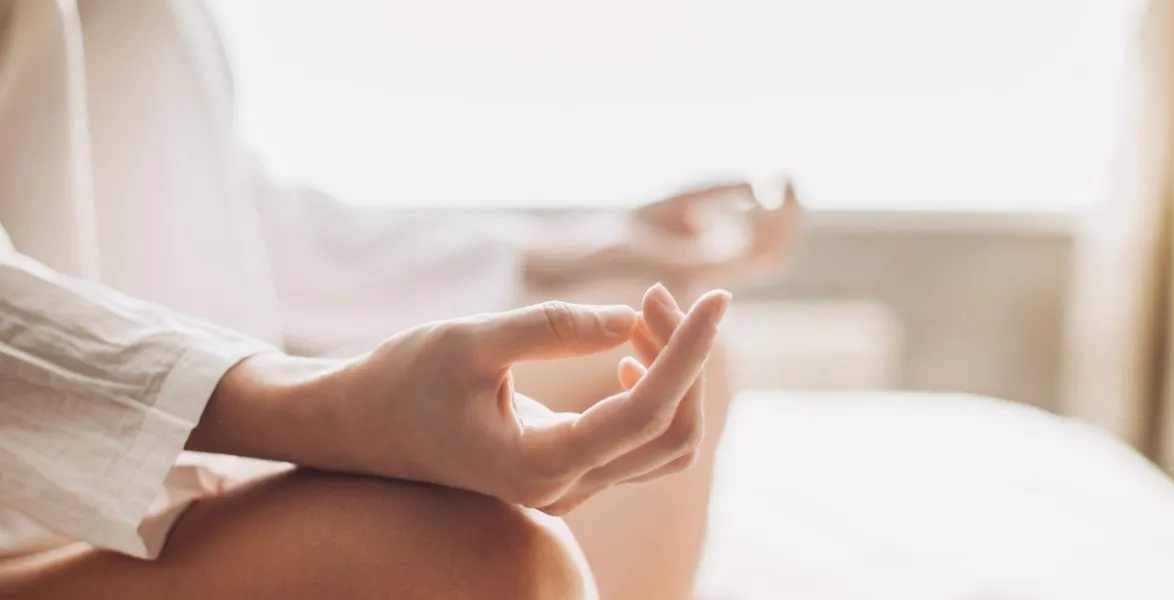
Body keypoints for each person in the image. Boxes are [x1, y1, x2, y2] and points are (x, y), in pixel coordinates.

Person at [0, 0, 800, 598]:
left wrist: (584, 251)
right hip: (29, 519)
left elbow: (222, 210)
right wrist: (314, 406)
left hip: (169, 457)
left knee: (642, 362)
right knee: (490, 561)